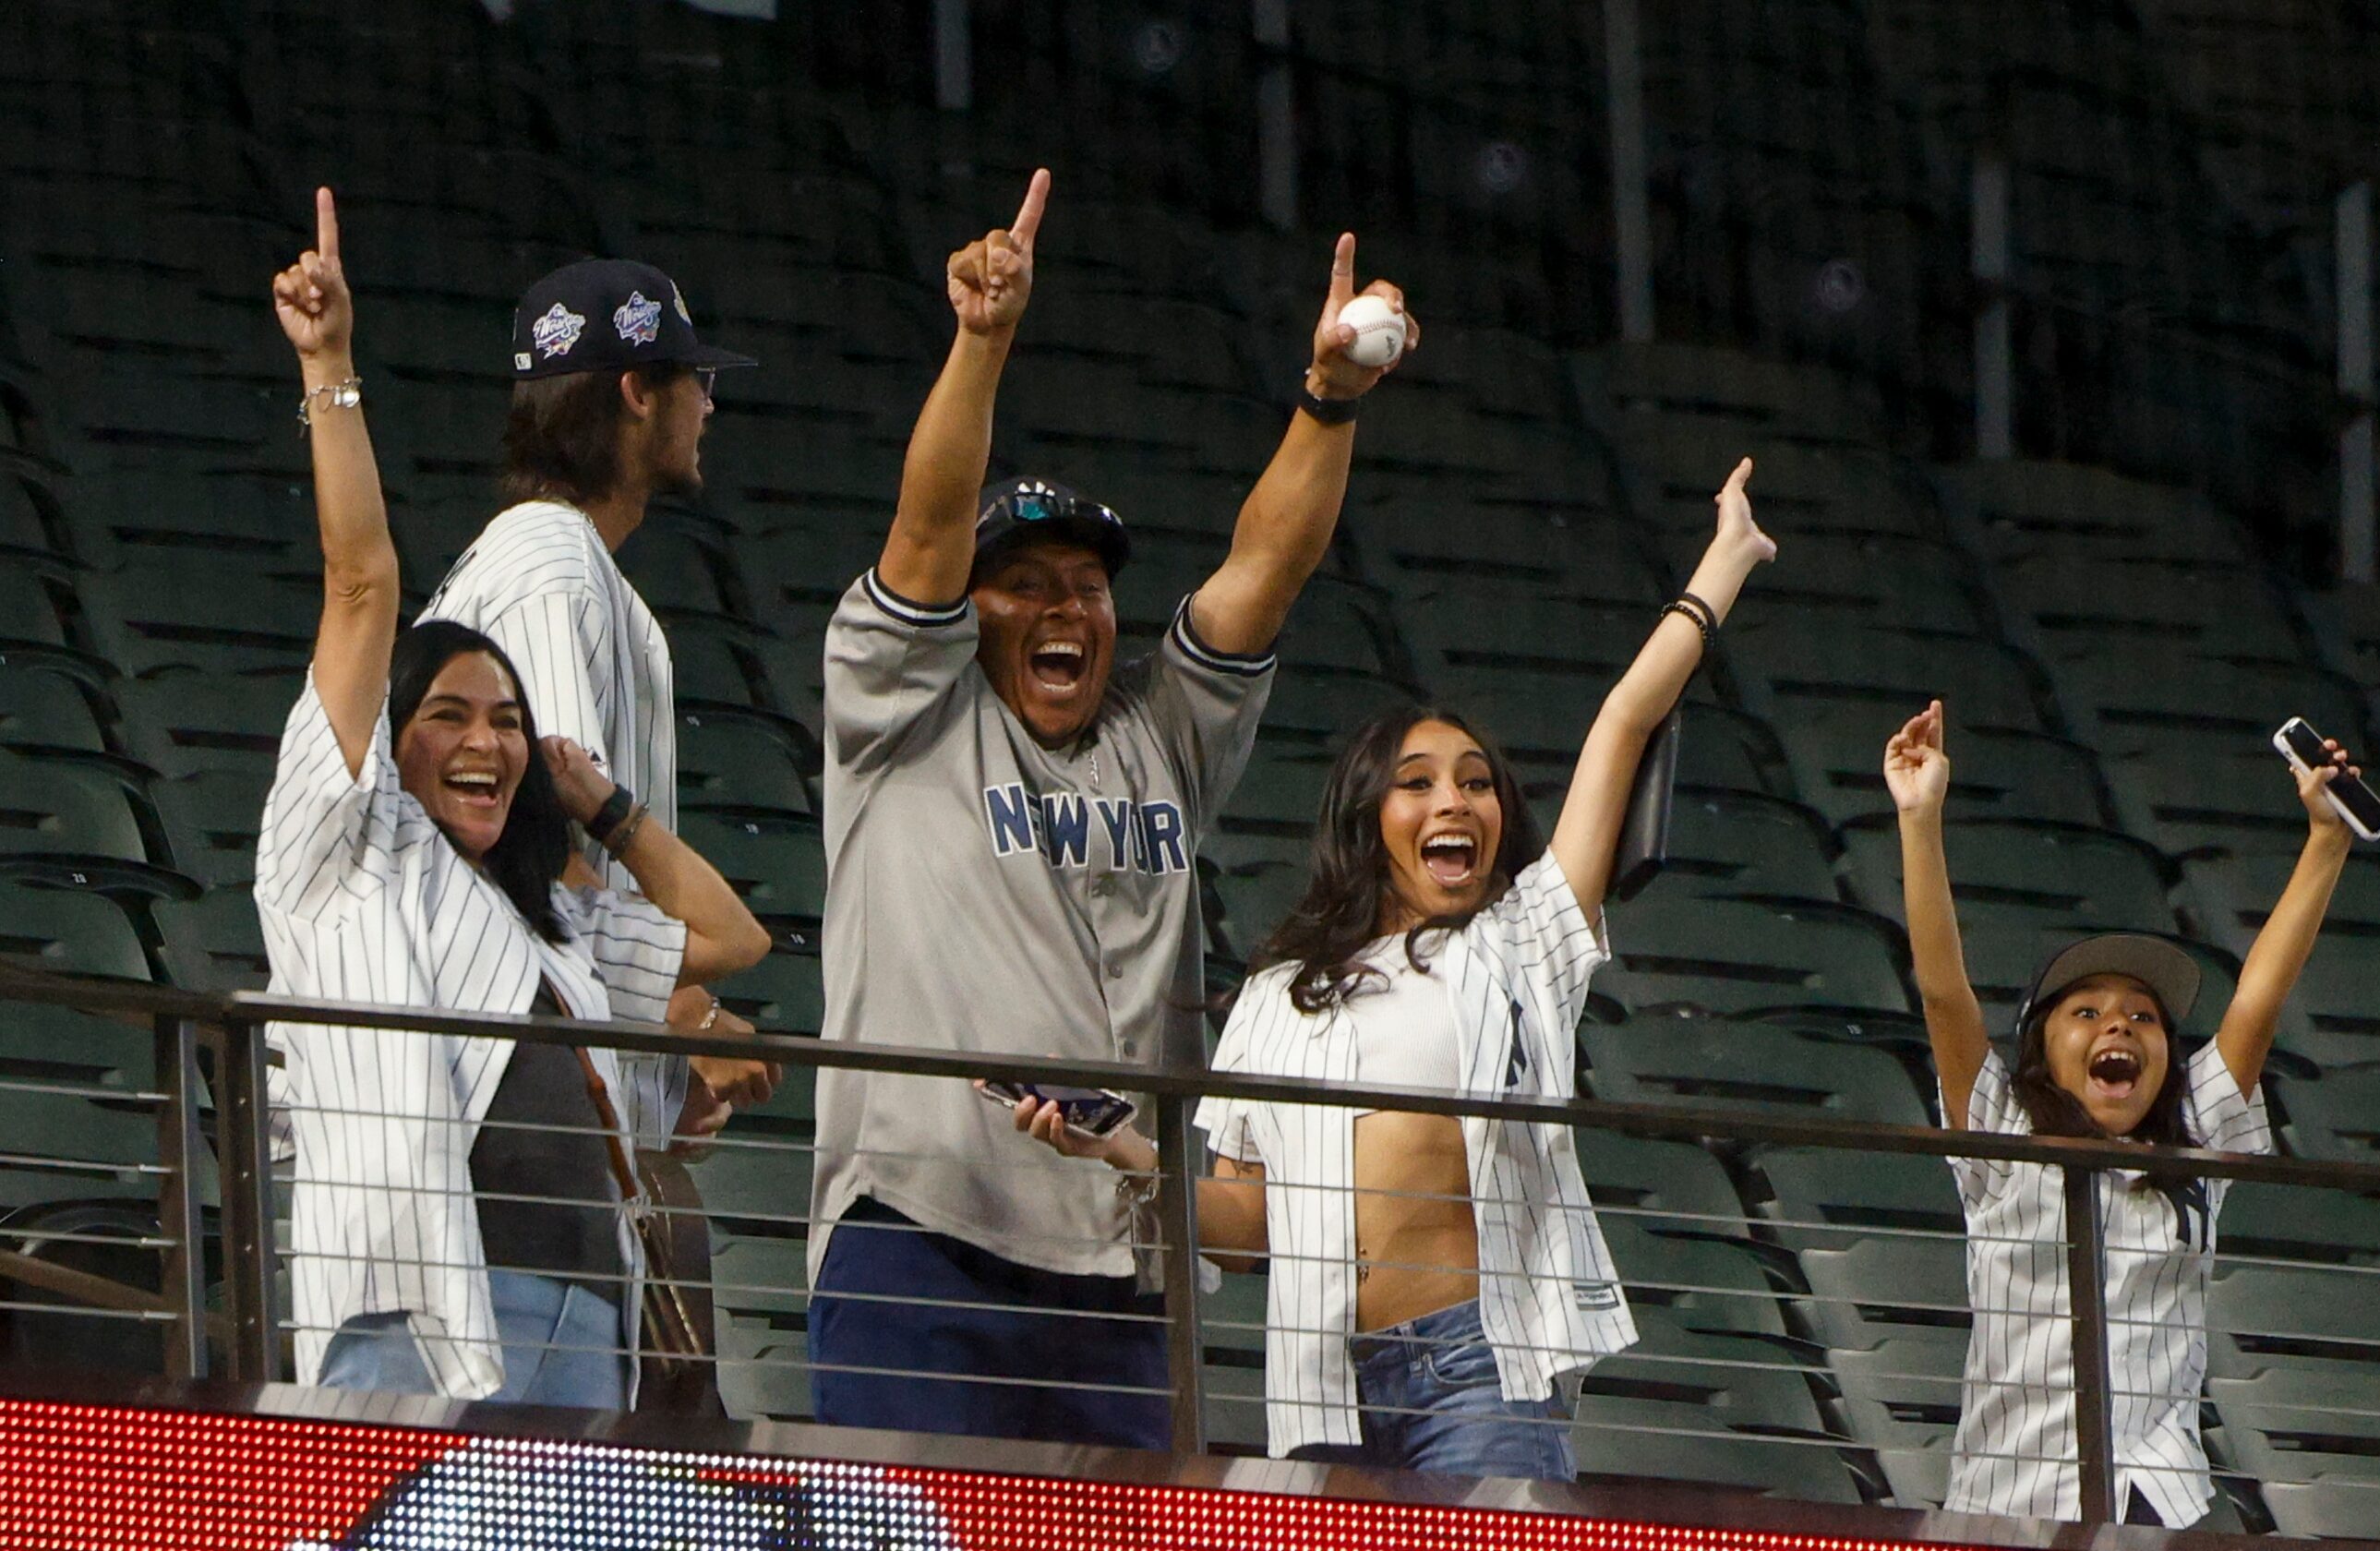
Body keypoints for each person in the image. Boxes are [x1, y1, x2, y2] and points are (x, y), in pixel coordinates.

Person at [806, 171, 1417, 1448]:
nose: (1064, 609)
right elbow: (924, 533)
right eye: (1021, 584)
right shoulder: (900, 717)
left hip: (1120, 1267)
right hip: (922, 1232)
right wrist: (981, 344)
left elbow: (1267, 565)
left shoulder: (1159, 736)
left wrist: (1328, 401)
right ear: (965, 614)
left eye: (1085, 586)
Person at [1019, 461, 1777, 1479]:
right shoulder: (1280, 993)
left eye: (1477, 783)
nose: (1455, 802)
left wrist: (1723, 566)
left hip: (1482, 1366)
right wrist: (1115, 1152)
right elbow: (1241, 1236)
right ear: (1368, 821)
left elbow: (1623, 724)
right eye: (1418, 784)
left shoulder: (1525, 938)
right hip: (1326, 1386)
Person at [258, 191, 772, 1407]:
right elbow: (358, 582)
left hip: (576, 1302)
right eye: (448, 716)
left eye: (507, 719)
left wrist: (611, 814)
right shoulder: (353, 843)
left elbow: (733, 937)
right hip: (423, 1290)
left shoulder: (543, 913)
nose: (493, 740)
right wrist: (329, 369)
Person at [1888, 700, 2360, 1526]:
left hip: (2158, 1500)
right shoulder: (2002, 1130)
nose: (2119, 1026)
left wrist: (2326, 841)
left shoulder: (2197, 1134)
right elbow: (1940, 992)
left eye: (2143, 1018)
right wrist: (1920, 820)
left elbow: (2258, 998)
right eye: (2087, 1012)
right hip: (2007, 1502)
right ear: (2042, 1049)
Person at [413, 248, 777, 1150]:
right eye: (694, 378)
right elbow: (540, 824)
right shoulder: (551, 566)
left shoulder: (547, 560)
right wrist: (681, 1009)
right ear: (637, 393)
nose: (711, 404)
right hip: (493, 1104)